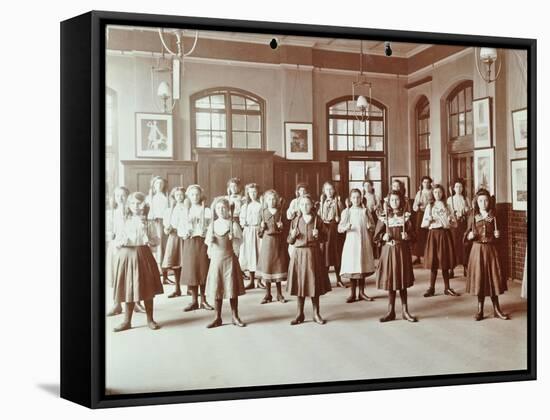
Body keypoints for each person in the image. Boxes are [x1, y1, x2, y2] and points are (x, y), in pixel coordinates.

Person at [111, 192, 164, 332]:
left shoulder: (149, 222)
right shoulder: (123, 220)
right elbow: (116, 239)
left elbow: (156, 241)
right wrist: (120, 242)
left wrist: (150, 240)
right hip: (127, 255)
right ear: (129, 205)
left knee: (146, 287)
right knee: (128, 287)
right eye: (133, 203)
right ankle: (127, 321)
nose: (136, 206)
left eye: (139, 203)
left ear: (144, 205)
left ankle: (150, 319)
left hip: (143, 254)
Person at [464, 189, 509, 321]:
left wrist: (498, 235)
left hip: (491, 251)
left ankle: (496, 309)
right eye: (480, 201)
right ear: (476, 202)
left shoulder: (494, 216)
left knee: (493, 279)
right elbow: (466, 235)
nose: (483, 203)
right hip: (477, 251)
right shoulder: (473, 216)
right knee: (480, 280)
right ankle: (480, 310)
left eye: (486, 200)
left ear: (489, 202)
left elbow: (501, 234)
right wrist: (469, 235)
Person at [287, 195, 332, 325]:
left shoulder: (317, 220)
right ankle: (299, 314)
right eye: (302, 205)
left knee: (314, 284)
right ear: (299, 206)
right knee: (300, 284)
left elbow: (325, 238)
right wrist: (293, 235)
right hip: (299, 255)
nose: (305, 207)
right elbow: (289, 241)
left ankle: (316, 313)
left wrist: (319, 235)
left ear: (312, 205)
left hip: (313, 254)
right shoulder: (295, 221)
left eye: (307, 204)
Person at [374, 190, 417, 322]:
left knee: (402, 281)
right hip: (389, 251)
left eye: (397, 200)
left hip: (402, 251)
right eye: (392, 200)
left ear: (401, 201)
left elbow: (415, 237)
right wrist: (383, 236)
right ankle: (390, 311)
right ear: (388, 201)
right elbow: (375, 237)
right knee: (391, 280)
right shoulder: (384, 217)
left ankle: (405, 311)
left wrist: (408, 236)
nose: (394, 202)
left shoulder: (406, 217)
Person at [205, 197, 246, 328]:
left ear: (228, 209)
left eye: (223, 208)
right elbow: (208, 245)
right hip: (217, 260)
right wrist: (210, 240)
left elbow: (239, 242)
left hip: (229, 258)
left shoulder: (232, 225)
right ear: (215, 210)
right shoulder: (212, 225)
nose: (221, 210)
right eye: (218, 208)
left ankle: (235, 316)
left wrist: (233, 239)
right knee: (217, 287)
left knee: (231, 287)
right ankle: (217, 317)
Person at [177, 184, 214, 311]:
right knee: (192, 270)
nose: (195, 197)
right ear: (188, 196)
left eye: (197, 194)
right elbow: (180, 227)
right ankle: (194, 300)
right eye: (192, 194)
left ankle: (203, 300)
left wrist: (207, 232)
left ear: (201, 195)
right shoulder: (185, 211)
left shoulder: (206, 210)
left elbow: (211, 227)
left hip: (203, 242)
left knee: (203, 269)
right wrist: (184, 233)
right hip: (190, 242)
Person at [421, 184, 460, 297]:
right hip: (433, 235)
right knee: (434, 262)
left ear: (443, 193)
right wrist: (429, 220)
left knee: (444, 262)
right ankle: (431, 288)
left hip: (444, 235)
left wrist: (450, 220)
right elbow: (423, 224)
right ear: (433, 194)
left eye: (439, 192)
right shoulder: (430, 206)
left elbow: (455, 224)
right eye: (435, 192)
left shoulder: (447, 206)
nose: (437, 194)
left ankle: (447, 288)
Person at [338, 189, 375, 303]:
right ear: (350, 199)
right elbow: (339, 228)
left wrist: (370, 227)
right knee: (352, 266)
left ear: (361, 198)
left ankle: (362, 292)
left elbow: (373, 225)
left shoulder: (365, 211)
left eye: (358, 197)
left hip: (363, 240)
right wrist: (346, 227)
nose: (356, 200)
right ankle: (353, 293)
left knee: (362, 265)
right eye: (353, 197)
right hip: (351, 242)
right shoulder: (346, 212)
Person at [257, 189, 289, 304]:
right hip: (267, 243)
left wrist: (282, 226)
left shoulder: (281, 212)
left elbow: (286, 230)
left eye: (273, 199)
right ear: (266, 200)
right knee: (268, 266)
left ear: (277, 200)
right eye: (269, 199)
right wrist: (261, 227)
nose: (271, 201)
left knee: (278, 267)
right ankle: (268, 294)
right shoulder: (263, 212)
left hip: (278, 243)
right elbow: (260, 234)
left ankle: (279, 294)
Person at [106, 186, 131, 317]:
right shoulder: (112, 213)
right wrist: (111, 235)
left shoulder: (133, 212)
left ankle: (134, 302)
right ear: (114, 198)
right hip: (116, 247)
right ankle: (117, 304)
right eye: (117, 196)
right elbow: (109, 230)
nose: (121, 199)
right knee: (117, 275)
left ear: (128, 196)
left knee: (130, 275)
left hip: (130, 247)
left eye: (123, 195)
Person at [318, 182, 345, 288]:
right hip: (325, 229)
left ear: (334, 190)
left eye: (331, 189)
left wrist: (339, 219)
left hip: (334, 230)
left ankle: (339, 279)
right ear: (324, 191)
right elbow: (319, 217)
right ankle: (326, 280)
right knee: (325, 255)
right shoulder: (322, 202)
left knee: (336, 254)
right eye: (327, 189)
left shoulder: (338, 202)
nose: (329, 192)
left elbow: (344, 216)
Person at [162, 186, 187, 298]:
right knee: (176, 262)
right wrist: (167, 228)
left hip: (186, 236)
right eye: (177, 195)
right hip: (175, 236)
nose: (179, 197)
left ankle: (191, 288)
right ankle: (177, 288)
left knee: (187, 262)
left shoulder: (188, 208)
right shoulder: (170, 210)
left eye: (181, 194)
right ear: (174, 197)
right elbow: (166, 227)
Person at [146, 176, 171, 285]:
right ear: (153, 185)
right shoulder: (150, 198)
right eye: (157, 184)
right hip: (154, 223)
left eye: (161, 183)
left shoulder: (167, 197)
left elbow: (169, 211)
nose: (159, 186)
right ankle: (155, 275)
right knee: (156, 248)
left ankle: (165, 276)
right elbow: (146, 213)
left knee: (164, 248)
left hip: (164, 223)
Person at [239, 183, 264, 289]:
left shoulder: (261, 205)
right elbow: (241, 218)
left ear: (257, 193)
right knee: (250, 255)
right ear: (247, 193)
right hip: (248, 231)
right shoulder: (245, 206)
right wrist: (243, 222)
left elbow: (263, 218)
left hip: (258, 231)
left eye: (254, 192)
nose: (253, 194)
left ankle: (259, 281)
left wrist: (262, 227)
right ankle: (251, 281)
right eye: (250, 192)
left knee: (259, 254)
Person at [447, 179, 471, 278]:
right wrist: (454, 214)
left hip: (463, 225)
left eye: (460, 187)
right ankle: (451, 269)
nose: (459, 189)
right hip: (454, 226)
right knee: (453, 246)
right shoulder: (450, 199)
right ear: (453, 188)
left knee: (464, 246)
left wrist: (465, 211)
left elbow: (470, 212)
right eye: (456, 187)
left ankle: (466, 267)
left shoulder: (466, 199)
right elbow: (448, 212)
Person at [412, 176, 433, 264]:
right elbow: (414, 207)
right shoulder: (419, 193)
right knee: (419, 234)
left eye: (428, 182)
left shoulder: (432, 192)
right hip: (420, 215)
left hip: (430, 214)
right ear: (422, 183)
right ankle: (418, 256)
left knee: (429, 234)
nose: (426, 184)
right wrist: (418, 205)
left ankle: (429, 255)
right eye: (424, 182)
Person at [286, 182, 309, 256]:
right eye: (300, 190)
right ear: (298, 191)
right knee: (294, 242)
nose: (302, 192)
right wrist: (295, 211)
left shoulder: (309, 201)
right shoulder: (294, 201)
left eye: (304, 190)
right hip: (296, 224)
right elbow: (288, 216)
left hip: (305, 224)